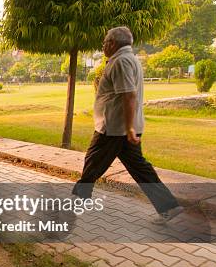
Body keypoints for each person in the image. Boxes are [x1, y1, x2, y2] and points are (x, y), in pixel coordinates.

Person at [72, 26, 184, 225]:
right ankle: (169, 206)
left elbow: (129, 95)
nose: (103, 44)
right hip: (121, 127)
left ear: (113, 43)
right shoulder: (127, 59)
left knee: (93, 161)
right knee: (138, 167)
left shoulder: (122, 61)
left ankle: (78, 201)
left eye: (105, 41)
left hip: (115, 128)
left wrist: (129, 128)